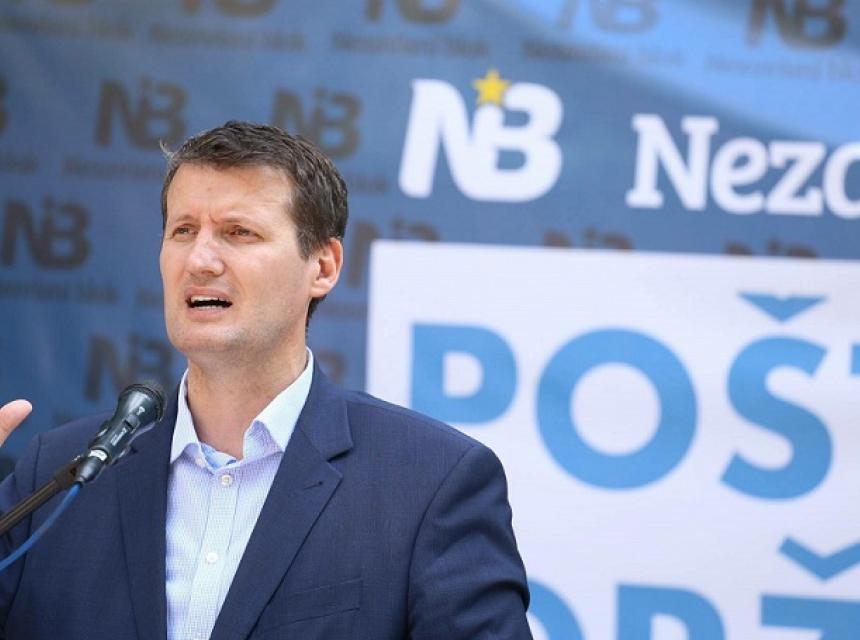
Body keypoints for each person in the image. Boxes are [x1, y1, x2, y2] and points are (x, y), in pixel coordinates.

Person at [0, 121, 532, 639]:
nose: (200, 260)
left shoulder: (430, 482)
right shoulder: (56, 477)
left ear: (323, 266)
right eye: (183, 231)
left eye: (239, 232)